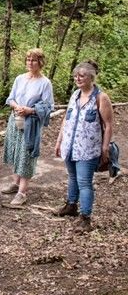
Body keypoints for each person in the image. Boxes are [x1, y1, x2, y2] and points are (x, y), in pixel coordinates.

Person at [54, 61, 114, 232]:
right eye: (75, 76)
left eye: (82, 76)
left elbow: (109, 125)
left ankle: (85, 217)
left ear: (91, 77)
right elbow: (66, 118)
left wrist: (105, 148)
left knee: (84, 182)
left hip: (88, 149)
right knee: (72, 177)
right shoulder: (75, 95)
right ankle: (71, 205)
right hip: (70, 146)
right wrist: (59, 141)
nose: (77, 79)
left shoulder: (101, 97)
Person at [2, 48, 54, 206]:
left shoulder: (45, 83)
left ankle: (22, 192)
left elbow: (48, 106)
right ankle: (16, 183)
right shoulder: (20, 78)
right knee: (16, 151)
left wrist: (30, 110)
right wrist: (17, 106)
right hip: (15, 119)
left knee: (27, 155)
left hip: (31, 122)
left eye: (34, 60)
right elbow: (10, 98)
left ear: (40, 63)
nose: (30, 63)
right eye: (28, 60)